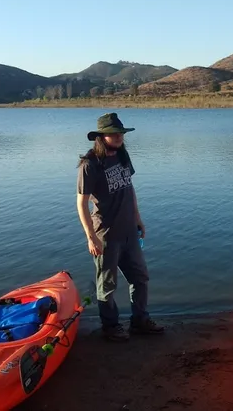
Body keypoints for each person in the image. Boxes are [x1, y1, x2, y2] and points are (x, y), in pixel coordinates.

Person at [76, 112, 165, 342]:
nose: (118, 137)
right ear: (101, 136)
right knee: (107, 285)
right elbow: (81, 203)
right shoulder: (90, 164)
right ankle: (111, 326)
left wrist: (138, 218)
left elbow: (129, 188)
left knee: (140, 277)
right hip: (106, 234)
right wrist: (91, 237)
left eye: (120, 133)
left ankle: (140, 321)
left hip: (129, 232)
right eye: (113, 134)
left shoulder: (123, 156)